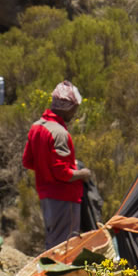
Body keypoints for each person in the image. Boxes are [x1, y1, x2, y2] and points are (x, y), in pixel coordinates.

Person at [22, 80, 92, 250]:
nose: (75, 113)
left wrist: (47, 168)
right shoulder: (59, 133)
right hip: (64, 198)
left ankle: (47, 275)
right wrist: (83, 173)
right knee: (65, 249)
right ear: (67, 107)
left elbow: (28, 161)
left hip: (46, 196)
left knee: (53, 245)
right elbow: (62, 174)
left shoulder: (37, 127)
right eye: (75, 108)